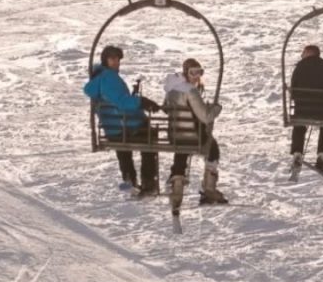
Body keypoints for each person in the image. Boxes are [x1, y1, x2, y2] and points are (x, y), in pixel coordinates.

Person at [84, 45, 162, 196]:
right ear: (105, 60)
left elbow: (115, 101)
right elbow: (121, 101)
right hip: (124, 128)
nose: (115, 62)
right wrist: (141, 102)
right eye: (112, 58)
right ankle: (148, 183)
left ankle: (129, 181)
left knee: (124, 149)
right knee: (149, 136)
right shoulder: (109, 77)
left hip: (113, 129)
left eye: (117, 59)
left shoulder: (100, 79)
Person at [163, 57, 227, 206]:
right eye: (193, 73)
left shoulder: (171, 88)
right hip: (193, 136)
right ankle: (209, 189)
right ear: (186, 72)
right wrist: (216, 108)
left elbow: (166, 109)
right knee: (213, 149)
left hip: (175, 135)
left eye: (199, 73)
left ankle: (177, 181)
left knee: (182, 149)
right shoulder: (190, 91)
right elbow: (205, 116)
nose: (196, 77)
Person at [288, 43, 323, 174]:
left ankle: (298, 152)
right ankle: (322, 155)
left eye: (303, 52)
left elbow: (293, 90)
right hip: (322, 110)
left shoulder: (299, 68)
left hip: (302, 108)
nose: (301, 55)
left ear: (309, 52)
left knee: (299, 123)